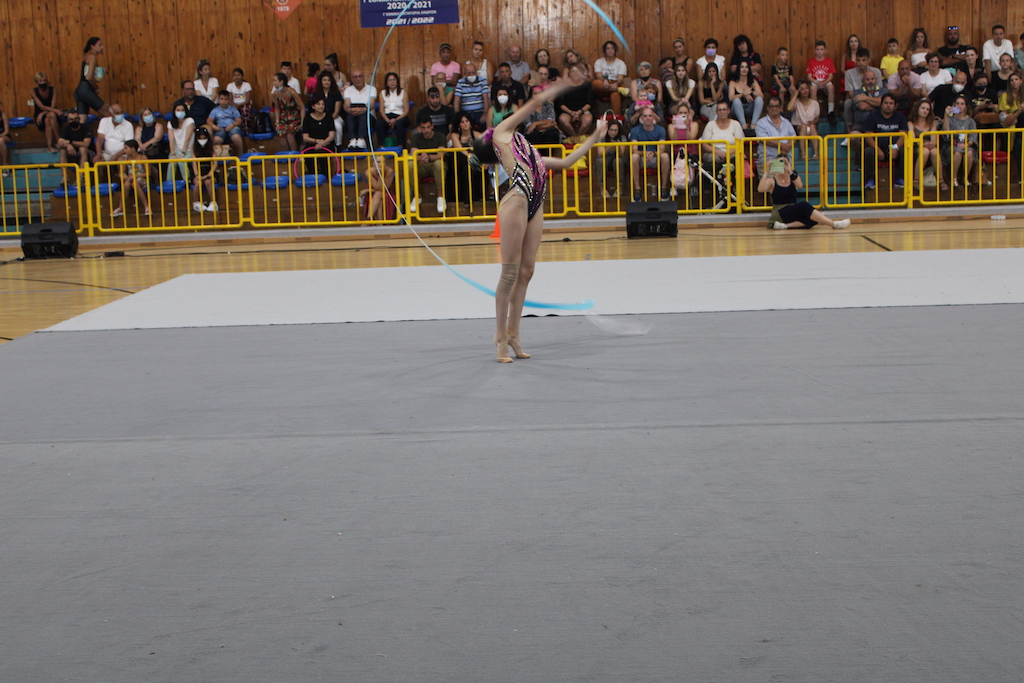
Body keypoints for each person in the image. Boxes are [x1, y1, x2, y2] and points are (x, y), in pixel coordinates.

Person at [470, 74, 607, 363]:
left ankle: (514, 334)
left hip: (535, 203)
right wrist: (564, 85)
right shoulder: (501, 134)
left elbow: (567, 161)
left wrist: (596, 136)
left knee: (527, 271)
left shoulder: (529, 152)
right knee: (509, 273)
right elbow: (535, 102)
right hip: (517, 200)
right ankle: (499, 338)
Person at [759, 154, 850, 229]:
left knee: (814, 218)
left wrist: (789, 171)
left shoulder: (793, 178)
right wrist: (767, 172)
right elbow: (760, 189)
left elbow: (799, 185)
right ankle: (833, 224)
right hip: (780, 212)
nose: (782, 165)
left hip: (793, 209)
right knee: (804, 205)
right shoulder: (772, 180)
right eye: (779, 163)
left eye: (784, 163)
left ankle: (785, 226)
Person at [863, 93, 908, 190]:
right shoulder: (873, 116)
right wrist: (878, 150)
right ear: (881, 104)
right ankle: (870, 180)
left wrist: (895, 148)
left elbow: (903, 135)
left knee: (905, 151)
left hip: (894, 147)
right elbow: (868, 135)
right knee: (868, 152)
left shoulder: (900, 117)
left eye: (891, 103)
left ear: (895, 106)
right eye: (886, 103)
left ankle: (900, 179)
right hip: (877, 147)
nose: (888, 105)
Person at [408, 111, 448, 214]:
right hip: (422, 165)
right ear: (420, 128)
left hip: (435, 165)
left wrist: (429, 157)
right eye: (423, 128)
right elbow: (413, 152)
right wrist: (421, 158)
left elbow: (441, 154)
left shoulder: (440, 136)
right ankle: (416, 196)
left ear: (432, 126)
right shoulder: (416, 137)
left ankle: (440, 197)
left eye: (428, 127)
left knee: (438, 163)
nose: (426, 130)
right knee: (410, 164)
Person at [629, 106, 671, 201]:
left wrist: (654, 154)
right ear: (641, 118)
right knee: (634, 157)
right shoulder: (635, 130)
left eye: (650, 116)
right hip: (642, 158)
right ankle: (637, 189)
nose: (647, 118)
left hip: (655, 157)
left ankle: (664, 188)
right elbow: (634, 149)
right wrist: (645, 153)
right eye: (645, 116)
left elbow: (662, 148)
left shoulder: (660, 130)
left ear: (653, 117)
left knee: (665, 156)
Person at [446, 111, 485, 209]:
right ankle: (466, 200)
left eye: (467, 121)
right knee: (464, 165)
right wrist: (471, 158)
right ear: (459, 124)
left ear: (470, 122)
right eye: (462, 122)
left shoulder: (476, 134)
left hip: (473, 163)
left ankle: (472, 198)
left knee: (468, 169)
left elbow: (483, 148)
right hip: (460, 161)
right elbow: (460, 149)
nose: (465, 124)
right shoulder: (455, 135)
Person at [940, 94, 979, 189]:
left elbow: (973, 136)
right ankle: (954, 179)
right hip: (952, 145)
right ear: (954, 105)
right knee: (957, 152)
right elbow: (946, 134)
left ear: (966, 106)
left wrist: (967, 144)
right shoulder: (950, 119)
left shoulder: (970, 121)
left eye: (962, 104)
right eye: (957, 103)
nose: (959, 106)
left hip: (966, 145)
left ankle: (965, 178)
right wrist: (946, 116)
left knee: (969, 152)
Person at [843, 48, 883, 131]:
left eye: (864, 60)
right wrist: (860, 100)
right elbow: (850, 93)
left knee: (884, 102)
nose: (861, 63)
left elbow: (879, 91)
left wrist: (865, 99)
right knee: (847, 103)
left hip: (872, 97)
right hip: (856, 98)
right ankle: (849, 129)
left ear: (869, 60)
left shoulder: (876, 72)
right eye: (858, 60)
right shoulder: (849, 73)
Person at [110, 140, 150, 217]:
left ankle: (146, 206)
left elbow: (148, 173)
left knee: (135, 183)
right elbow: (122, 172)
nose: (124, 150)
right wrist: (124, 176)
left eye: (126, 148)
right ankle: (121, 207)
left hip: (142, 179)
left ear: (133, 148)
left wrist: (135, 176)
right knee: (127, 184)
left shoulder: (142, 157)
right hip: (130, 179)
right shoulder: (126, 159)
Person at [754, 96, 796, 168]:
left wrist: (787, 147)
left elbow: (793, 137)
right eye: (772, 106)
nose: (774, 108)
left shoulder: (786, 122)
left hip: (786, 160)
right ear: (767, 108)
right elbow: (764, 140)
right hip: (769, 161)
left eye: (776, 106)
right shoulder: (761, 123)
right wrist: (782, 146)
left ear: (780, 107)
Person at [75, 37, 110, 117]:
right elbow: (89, 77)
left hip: (80, 90)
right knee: (107, 113)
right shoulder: (92, 57)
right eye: (99, 45)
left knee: (82, 119)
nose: (102, 47)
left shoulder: (87, 56)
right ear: (92, 46)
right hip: (86, 90)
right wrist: (95, 87)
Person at [908, 99, 938, 188]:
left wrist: (932, 144)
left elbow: (934, 139)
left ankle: (940, 179)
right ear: (917, 109)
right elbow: (913, 139)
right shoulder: (911, 123)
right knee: (925, 151)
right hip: (916, 146)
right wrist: (924, 144)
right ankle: (916, 180)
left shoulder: (932, 123)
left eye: (927, 109)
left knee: (934, 152)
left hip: (929, 146)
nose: (925, 111)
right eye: (923, 108)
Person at [343, 69, 377, 149]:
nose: (358, 79)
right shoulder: (348, 90)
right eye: (355, 77)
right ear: (352, 79)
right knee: (350, 116)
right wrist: (349, 110)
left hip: (369, 118)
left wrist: (364, 110)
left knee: (363, 114)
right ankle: (352, 140)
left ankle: (361, 139)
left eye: (360, 76)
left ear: (363, 77)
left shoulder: (371, 89)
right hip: (353, 116)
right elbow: (346, 104)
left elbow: (372, 104)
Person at [56, 109, 93, 182]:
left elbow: (86, 144)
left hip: (88, 153)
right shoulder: (65, 129)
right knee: (63, 150)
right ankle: (65, 177)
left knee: (82, 149)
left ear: (79, 119)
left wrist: (70, 142)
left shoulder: (86, 128)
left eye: (76, 119)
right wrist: (67, 145)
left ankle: (81, 177)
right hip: (72, 153)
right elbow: (59, 143)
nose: (74, 121)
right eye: (71, 119)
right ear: (67, 120)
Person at [374, 72, 410, 147]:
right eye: (390, 80)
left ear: (397, 81)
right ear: (386, 82)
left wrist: (396, 120)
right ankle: (381, 147)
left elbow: (406, 110)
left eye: (394, 80)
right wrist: (387, 120)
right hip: (387, 117)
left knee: (399, 124)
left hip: (400, 117)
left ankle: (400, 147)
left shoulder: (403, 92)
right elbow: (381, 110)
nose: (392, 82)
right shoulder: (382, 93)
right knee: (379, 124)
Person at [591, 40, 628, 113]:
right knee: (595, 83)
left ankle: (616, 118)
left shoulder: (621, 63)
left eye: (612, 48)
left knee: (615, 94)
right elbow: (598, 76)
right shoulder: (599, 62)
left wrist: (616, 84)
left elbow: (620, 78)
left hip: (616, 83)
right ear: (605, 51)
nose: (610, 50)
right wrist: (604, 81)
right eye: (608, 48)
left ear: (615, 50)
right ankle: (618, 89)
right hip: (603, 84)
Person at [728, 59, 764, 132]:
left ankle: (754, 124)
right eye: (742, 67)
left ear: (749, 69)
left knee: (759, 99)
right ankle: (743, 124)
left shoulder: (753, 82)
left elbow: (761, 96)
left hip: (749, 108)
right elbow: (731, 98)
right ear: (738, 69)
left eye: (746, 67)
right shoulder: (733, 82)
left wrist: (752, 92)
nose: (744, 69)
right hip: (736, 109)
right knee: (736, 100)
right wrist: (743, 94)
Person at [271, 72, 303, 151]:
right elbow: (277, 108)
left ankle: (294, 155)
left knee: (290, 136)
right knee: (281, 135)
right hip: (283, 118)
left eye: (275, 80)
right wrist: (277, 122)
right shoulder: (275, 94)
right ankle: (287, 155)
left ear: (281, 82)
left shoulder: (292, 92)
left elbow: (302, 107)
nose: (273, 83)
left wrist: (302, 122)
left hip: (294, 117)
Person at [788, 80, 820, 159]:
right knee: (803, 127)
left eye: (806, 88)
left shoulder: (815, 103)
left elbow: (817, 118)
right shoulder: (796, 102)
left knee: (812, 126)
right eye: (802, 89)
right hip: (798, 127)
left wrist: (813, 122)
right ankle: (803, 154)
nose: (805, 91)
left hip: (810, 126)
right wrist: (795, 94)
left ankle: (816, 153)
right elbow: (789, 108)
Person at [596, 118, 627, 198]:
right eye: (611, 130)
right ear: (607, 129)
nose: (613, 132)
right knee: (600, 160)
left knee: (618, 160)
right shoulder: (602, 136)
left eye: (615, 130)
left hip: (617, 157)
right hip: (605, 157)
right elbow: (600, 153)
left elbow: (621, 154)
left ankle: (619, 187)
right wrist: (608, 149)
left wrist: (618, 147)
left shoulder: (622, 137)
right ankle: (602, 187)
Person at [206, 91, 245, 156]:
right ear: (218, 99)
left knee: (236, 137)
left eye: (226, 99)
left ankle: (241, 155)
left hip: (232, 126)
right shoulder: (215, 110)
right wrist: (214, 127)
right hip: (220, 128)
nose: (223, 101)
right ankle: (217, 156)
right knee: (216, 140)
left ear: (228, 100)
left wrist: (232, 125)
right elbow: (209, 120)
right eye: (221, 99)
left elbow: (239, 120)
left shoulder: (233, 109)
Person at [310, 71, 343, 144]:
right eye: (324, 80)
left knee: (337, 126)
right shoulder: (316, 94)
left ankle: (338, 145)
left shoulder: (336, 94)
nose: (326, 82)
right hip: (319, 117)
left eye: (328, 80)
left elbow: (336, 112)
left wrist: (328, 120)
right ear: (321, 82)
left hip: (334, 117)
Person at [806, 41, 837, 117]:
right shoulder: (811, 61)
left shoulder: (829, 61)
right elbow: (809, 76)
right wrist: (817, 82)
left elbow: (831, 75)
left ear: (825, 51)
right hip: (815, 81)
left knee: (831, 87)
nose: (819, 52)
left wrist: (825, 82)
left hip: (826, 81)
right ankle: (815, 112)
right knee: (812, 88)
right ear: (814, 51)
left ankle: (831, 112)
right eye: (818, 49)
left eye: (821, 49)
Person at [190, 126, 218, 212]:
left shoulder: (212, 147)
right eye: (200, 138)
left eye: (204, 138)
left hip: (209, 170)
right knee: (198, 182)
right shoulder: (193, 148)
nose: (202, 140)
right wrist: (197, 175)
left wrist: (209, 174)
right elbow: (194, 162)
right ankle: (196, 203)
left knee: (207, 181)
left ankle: (213, 203)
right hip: (198, 170)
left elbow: (215, 163)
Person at [453, 63, 489, 128]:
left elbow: (485, 98)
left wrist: (485, 113)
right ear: (465, 74)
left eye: (473, 72)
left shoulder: (482, 81)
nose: (471, 75)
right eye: (469, 73)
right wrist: (458, 116)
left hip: (480, 112)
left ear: (476, 72)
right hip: (466, 113)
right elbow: (456, 100)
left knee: (485, 123)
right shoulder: (460, 82)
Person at [166, 102, 195, 183]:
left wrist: (183, 153)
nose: (180, 112)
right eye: (178, 110)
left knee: (181, 161)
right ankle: (169, 183)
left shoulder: (190, 121)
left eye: (182, 110)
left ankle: (187, 182)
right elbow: (171, 139)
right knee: (171, 163)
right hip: (176, 151)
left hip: (188, 150)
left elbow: (187, 138)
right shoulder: (170, 123)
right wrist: (173, 154)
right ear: (174, 111)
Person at [32, 73, 60, 153]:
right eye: (40, 81)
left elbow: (53, 105)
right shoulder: (33, 91)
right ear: (36, 82)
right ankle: (58, 140)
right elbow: (41, 106)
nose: (43, 83)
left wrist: (43, 113)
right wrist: (42, 113)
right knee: (50, 116)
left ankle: (50, 146)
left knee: (49, 118)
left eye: (44, 81)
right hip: (40, 113)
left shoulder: (53, 89)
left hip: (51, 111)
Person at [301, 94, 336, 160]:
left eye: (323, 104)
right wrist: (316, 141)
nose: (321, 106)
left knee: (322, 154)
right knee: (308, 155)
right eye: (318, 104)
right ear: (313, 106)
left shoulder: (329, 117)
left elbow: (331, 136)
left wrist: (322, 144)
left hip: (326, 143)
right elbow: (305, 137)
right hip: (312, 144)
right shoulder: (307, 119)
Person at [998, 73, 1022, 166]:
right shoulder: (1005, 95)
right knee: (1012, 128)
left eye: (1016, 79)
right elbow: (1003, 116)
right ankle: (1011, 151)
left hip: (1021, 121)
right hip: (1010, 121)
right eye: (1012, 80)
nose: (1014, 82)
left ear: (1021, 81)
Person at [225, 68, 253, 134]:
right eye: (235, 75)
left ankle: (246, 129)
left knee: (244, 110)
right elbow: (229, 99)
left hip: (244, 104)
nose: (236, 77)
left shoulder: (247, 85)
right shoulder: (230, 86)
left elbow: (248, 100)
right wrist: (234, 105)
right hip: (233, 105)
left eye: (238, 75)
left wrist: (239, 105)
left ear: (242, 76)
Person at [0, 102, 8, 175]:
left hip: (4, 136)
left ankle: (5, 165)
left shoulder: (3, 115)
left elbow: (6, 131)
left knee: (1, 141)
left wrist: (1, 135)